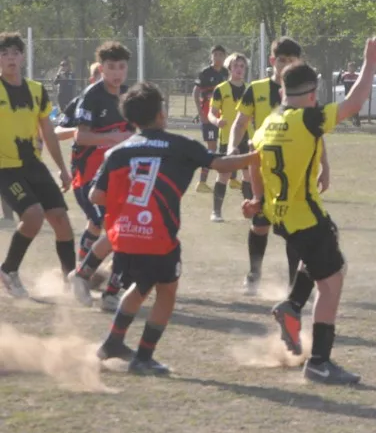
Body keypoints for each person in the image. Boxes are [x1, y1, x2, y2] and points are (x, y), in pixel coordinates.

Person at [245, 38, 376, 385]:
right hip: (305, 216)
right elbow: (354, 103)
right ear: (311, 93)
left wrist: (258, 201)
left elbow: (254, 163)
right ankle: (320, 362)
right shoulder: (309, 119)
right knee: (332, 282)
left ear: (282, 92)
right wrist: (369, 64)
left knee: (326, 258)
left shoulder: (270, 122)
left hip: (282, 216)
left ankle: (292, 305)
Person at [92, 84, 256, 374]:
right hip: (157, 237)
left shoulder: (117, 152)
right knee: (166, 291)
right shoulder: (180, 145)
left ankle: (112, 343)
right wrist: (255, 156)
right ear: (161, 114)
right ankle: (144, 356)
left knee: (140, 287)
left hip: (126, 236)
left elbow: (97, 196)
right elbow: (221, 164)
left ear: (132, 119)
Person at [228, 37, 328, 296]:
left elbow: (316, 131)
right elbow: (240, 123)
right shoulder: (257, 89)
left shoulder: (305, 94)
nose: (285, 65)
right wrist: (231, 150)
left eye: (291, 60)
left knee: (294, 228)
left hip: (294, 172)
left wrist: (325, 166)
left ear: (299, 62)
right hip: (261, 170)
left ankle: (294, 281)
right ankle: (254, 274)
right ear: (272, 61)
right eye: (281, 60)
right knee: (260, 224)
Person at [0, 32, 76, 299]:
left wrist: (63, 170)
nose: (10, 58)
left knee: (61, 219)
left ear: (22, 57)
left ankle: (71, 281)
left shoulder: (37, 91)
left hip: (33, 165)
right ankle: (8, 270)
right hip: (4, 168)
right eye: (4, 53)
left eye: (14, 53)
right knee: (33, 216)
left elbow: (48, 134)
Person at [61, 42, 135, 309]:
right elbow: (81, 136)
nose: (117, 73)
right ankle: (87, 277)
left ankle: (92, 278)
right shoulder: (92, 96)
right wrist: (113, 136)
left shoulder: (128, 96)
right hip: (88, 176)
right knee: (112, 225)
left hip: (116, 176)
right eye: (111, 67)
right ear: (101, 68)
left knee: (120, 227)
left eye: (122, 67)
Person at [206, 53, 251, 222]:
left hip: (248, 138)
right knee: (224, 175)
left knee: (248, 176)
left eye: (242, 66)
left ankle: (250, 211)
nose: (239, 69)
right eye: (236, 66)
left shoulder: (250, 89)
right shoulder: (221, 89)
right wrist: (216, 121)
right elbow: (211, 113)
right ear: (229, 68)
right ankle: (216, 212)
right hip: (227, 139)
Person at [192, 45, 229, 192]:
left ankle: (228, 180)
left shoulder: (227, 73)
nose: (218, 57)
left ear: (224, 57)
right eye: (215, 55)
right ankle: (201, 182)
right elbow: (195, 92)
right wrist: (200, 113)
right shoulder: (205, 73)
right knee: (211, 148)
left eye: (221, 54)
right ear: (211, 56)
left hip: (224, 117)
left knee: (227, 147)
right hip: (209, 116)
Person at [339, 62, 360, 127]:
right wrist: (340, 74)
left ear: (354, 68)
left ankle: (357, 122)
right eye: (349, 67)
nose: (350, 69)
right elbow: (339, 81)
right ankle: (353, 121)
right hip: (347, 95)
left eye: (352, 67)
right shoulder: (345, 75)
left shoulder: (357, 76)